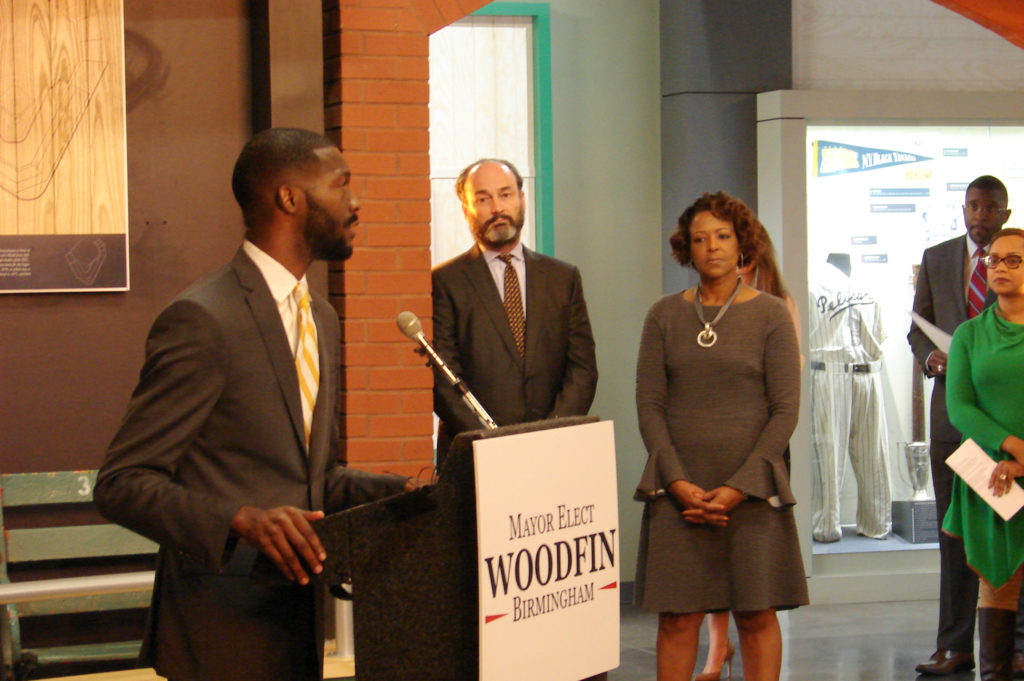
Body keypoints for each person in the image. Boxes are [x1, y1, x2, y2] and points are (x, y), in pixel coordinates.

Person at [94, 128, 415, 681]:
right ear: (289, 198)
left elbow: (316, 478)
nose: (355, 201)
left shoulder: (321, 318)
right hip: (220, 633)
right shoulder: (203, 319)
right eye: (341, 184)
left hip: (297, 623)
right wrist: (238, 520)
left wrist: (402, 495)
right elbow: (121, 483)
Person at [634, 191, 808, 681]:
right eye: (699, 239)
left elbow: (785, 411)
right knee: (677, 618)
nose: (712, 246)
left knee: (756, 614)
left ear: (741, 243)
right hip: (679, 493)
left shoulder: (771, 314)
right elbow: (649, 405)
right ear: (685, 249)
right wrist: (676, 481)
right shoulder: (663, 315)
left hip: (751, 493)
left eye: (723, 236)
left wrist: (739, 486)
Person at [431, 158, 598, 463]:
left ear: (522, 199)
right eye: (483, 199)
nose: (497, 208)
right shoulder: (444, 282)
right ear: (466, 210)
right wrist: (494, 443)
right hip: (475, 455)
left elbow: (582, 370)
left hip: (554, 455)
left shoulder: (563, 278)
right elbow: (445, 383)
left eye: (505, 195)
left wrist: (548, 435)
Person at [909, 175, 1011, 676]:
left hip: (1004, 421)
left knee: (1010, 527)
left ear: (1005, 213)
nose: (979, 215)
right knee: (954, 534)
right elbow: (917, 328)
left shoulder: (1014, 258)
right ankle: (954, 646)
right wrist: (932, 359)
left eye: (989, 208)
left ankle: (1013, 646)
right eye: (973, 206)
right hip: (952, 418)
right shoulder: (938, 257)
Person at [695, 229, 801, 681]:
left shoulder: (776, 306)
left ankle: (737, 640)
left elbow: (787, 383)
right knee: (711, 544)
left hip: (764, 443)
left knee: (754, 566)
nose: (719, 252)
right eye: (706, 241)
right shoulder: (696, 307)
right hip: (714, 441)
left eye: (729, 242)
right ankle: (718, 645)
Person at [943, 227, 1024, 681]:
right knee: (997, 586)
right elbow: (960, 408)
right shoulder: (970, 334)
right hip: (991, 473)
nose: (1000, 267)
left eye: (1014, 260)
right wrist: (1011, 448)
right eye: (993, 260)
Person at [808, 258, 891, 543]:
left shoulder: (870, 282)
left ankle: (876, 523)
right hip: (826, 372)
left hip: (869, 372)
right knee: (827, 454)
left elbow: (879, 334)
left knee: (874, 452)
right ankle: (825, 527)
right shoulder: (810, 280)